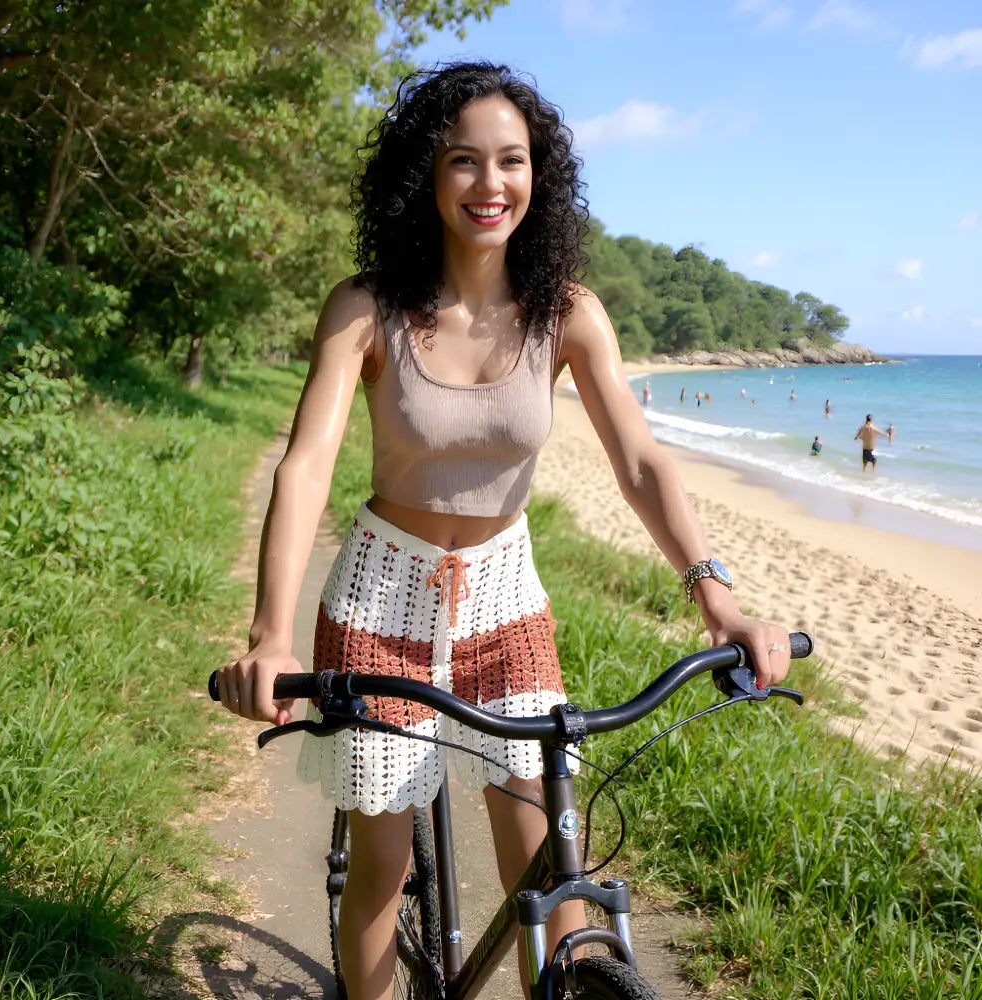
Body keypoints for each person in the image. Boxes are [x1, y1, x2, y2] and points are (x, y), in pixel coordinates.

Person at [213, 61, 791, 1000]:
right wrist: (269, 637)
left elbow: (640, 464)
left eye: (511, 161)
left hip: (505, 602)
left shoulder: (567, 314)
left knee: (551, 873)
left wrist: (717, 604)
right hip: (380, 599)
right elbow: (306, 467)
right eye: (463, 162)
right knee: (382, 872)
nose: (490, 185)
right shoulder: (368, 310)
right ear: (426, 177)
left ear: (540, 175)